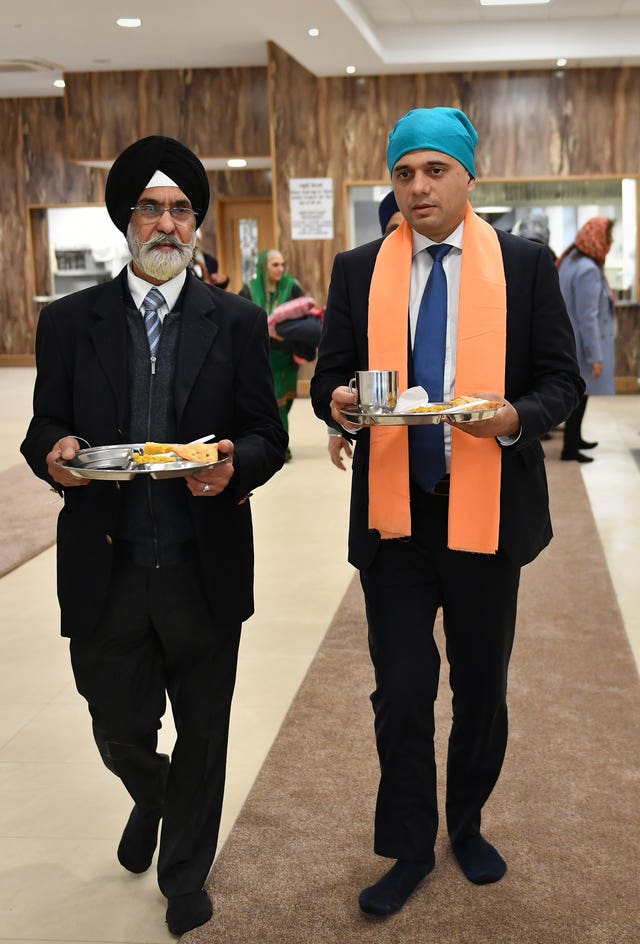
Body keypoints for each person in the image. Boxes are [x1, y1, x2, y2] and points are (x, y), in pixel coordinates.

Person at [310, 106, 584, 918]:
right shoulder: (359, 269)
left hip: (485, 513)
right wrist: (341, 403)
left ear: (470, 177)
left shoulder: (527, 267)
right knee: (399, 689)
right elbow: (328, 380)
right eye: (404, 173)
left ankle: (466, 824)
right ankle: (406, 845)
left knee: (480, 688)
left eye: (434, 170)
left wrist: (512, 421)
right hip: (395, 519)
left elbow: (561, 385)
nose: (418, 187)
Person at [20, 135, 288, 937]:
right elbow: (45, 427)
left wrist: (237, 465)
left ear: (196, 224)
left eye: (182, 210)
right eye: (153, 208)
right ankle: (155, 793)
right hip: (107, 568)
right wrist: (56, 457)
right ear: (126, 220)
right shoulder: (70, 323)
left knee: (205, 729)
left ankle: (184, 876)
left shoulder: (238, 322)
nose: (168, 224)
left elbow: (264, 433)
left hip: (202, 566)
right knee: (116, 724)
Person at [327, 191, 403, 470]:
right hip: (383, 456)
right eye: (395, 229)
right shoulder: (359, 278)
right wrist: (336, 426)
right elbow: (334, 372)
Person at [557, 216, 616, 462]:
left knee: (579, 395)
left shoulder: (571, 260)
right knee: (580, 396)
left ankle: (575, 439)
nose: (610, 241)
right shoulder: (588, 270)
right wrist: (596, 355)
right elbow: (588, 316)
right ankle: (570, 447)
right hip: (582, 345)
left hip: (570, 341)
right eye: (609, 236)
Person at [239, 249, 306, 460]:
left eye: (282, 264)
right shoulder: (249, 289)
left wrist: (286, 331)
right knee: (272, 402)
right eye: (275, 265)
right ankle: (280, 446)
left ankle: (279, 441)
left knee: (284, 403)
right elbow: (241, 320)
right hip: (260, 355)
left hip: (285, 355)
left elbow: (305, 315)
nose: (280, 269)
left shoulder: (291, 286)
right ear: (263, 267)